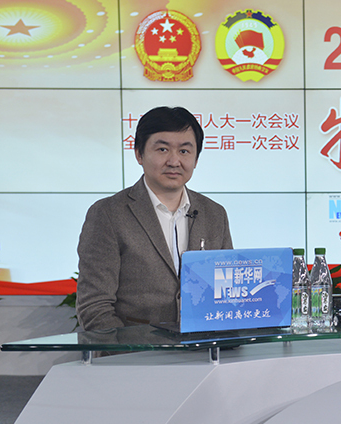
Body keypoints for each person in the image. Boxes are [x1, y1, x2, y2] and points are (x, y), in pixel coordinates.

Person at [77, 106, 233, 331]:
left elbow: (226, 292)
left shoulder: (214, 214)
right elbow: (95, 306)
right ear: (139, 154)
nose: (174, 161)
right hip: (135, 348)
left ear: (196, 158)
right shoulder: (108, 213)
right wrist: (129, 349)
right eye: (162, 149)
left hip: (202, 348)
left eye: (184, 151)